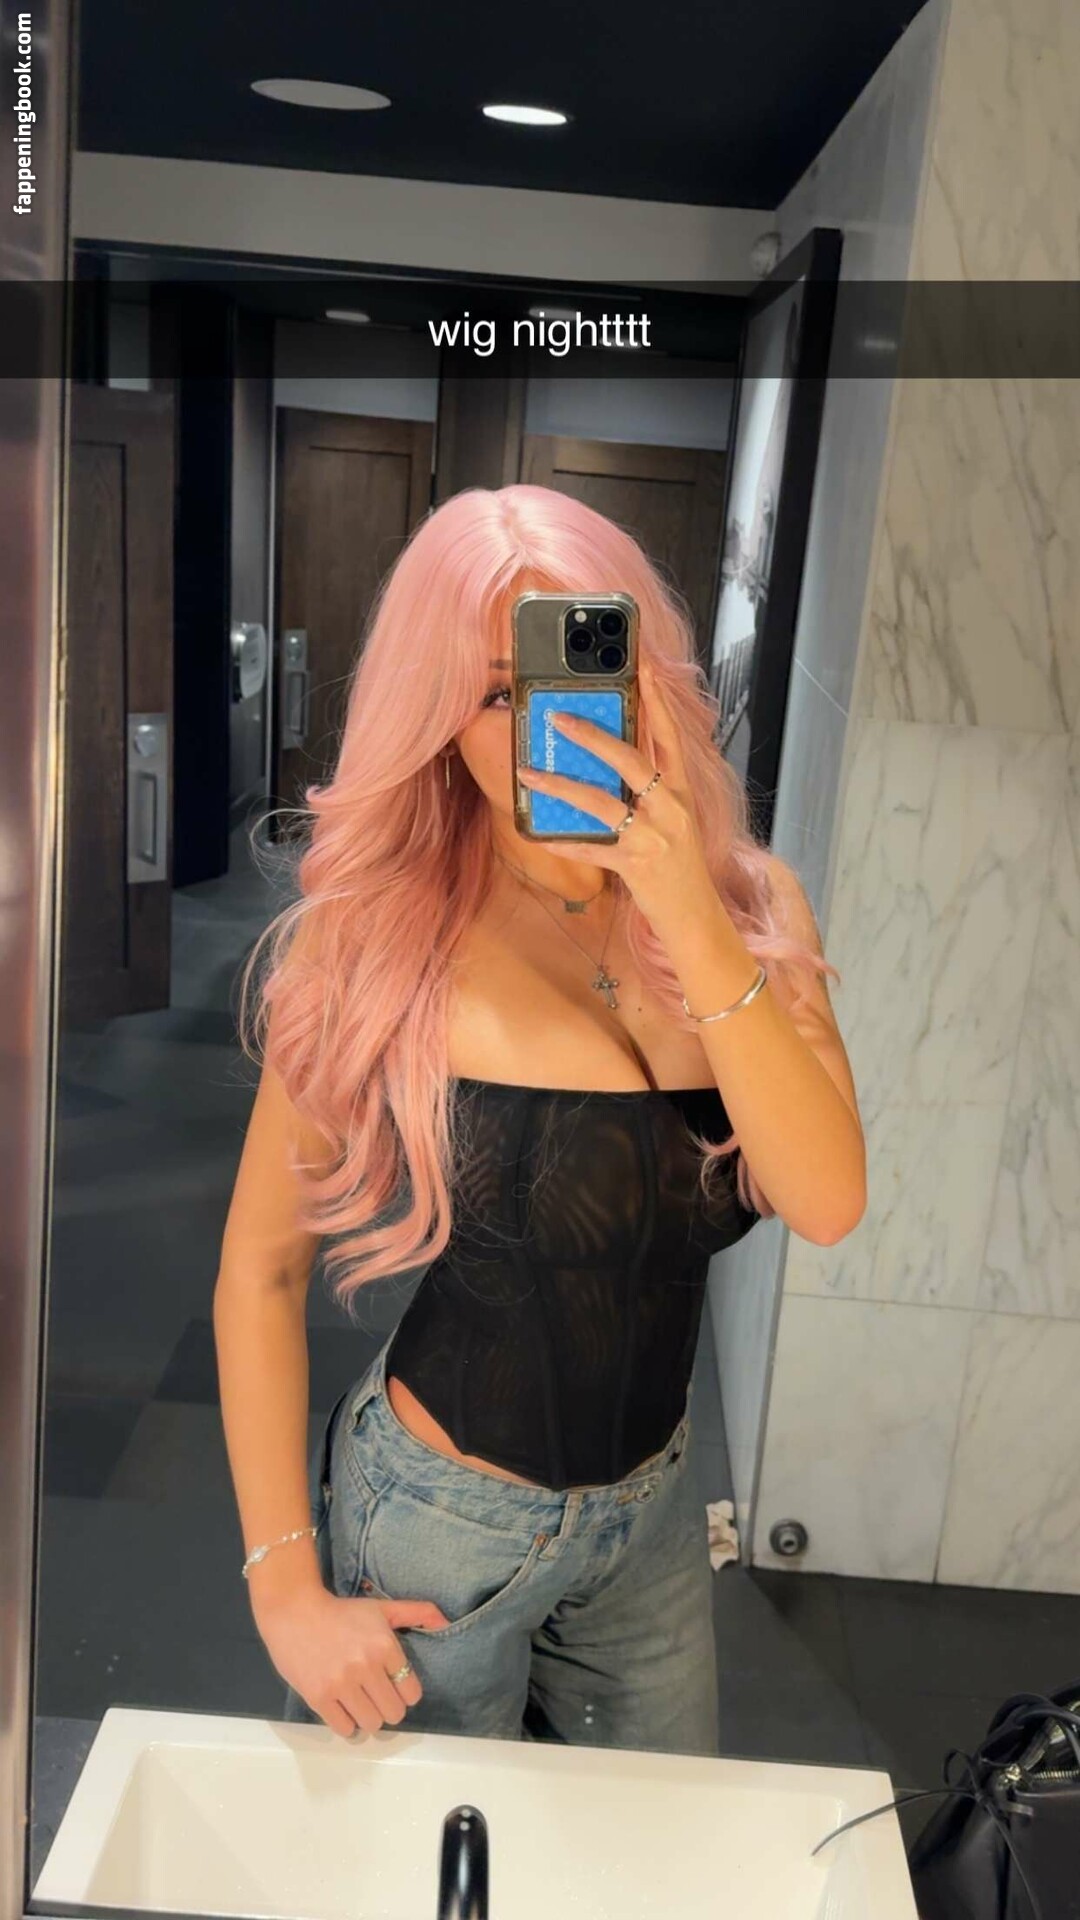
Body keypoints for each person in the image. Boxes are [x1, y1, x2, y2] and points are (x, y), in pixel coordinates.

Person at [213, 484, 865, 1756]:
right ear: (434, 716)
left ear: (638, 680)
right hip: (438, 1527)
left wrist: (686, 910)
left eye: (570, 678)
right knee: (421, 1858)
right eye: (490, 695)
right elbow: (260, 1266)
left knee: (643, 1852)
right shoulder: (383, 936)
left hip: (654, 1519)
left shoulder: (750, 906)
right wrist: (283, 1582)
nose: (534, 737)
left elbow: (827, 1200)